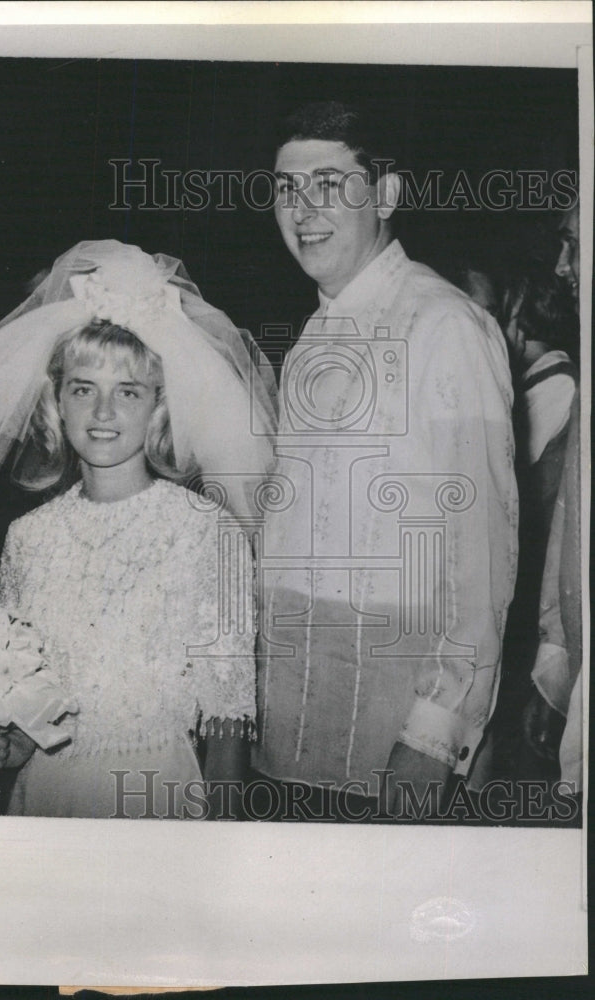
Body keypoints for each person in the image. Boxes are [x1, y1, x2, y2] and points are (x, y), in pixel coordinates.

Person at [0, 240, 277, 818]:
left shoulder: (207, 531)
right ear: (57, 404)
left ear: (159, 408)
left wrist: (221, 848)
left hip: (158, 795)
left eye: (128, 392)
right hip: (44, 798)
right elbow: (39, 697)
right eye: (83, 389)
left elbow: (228, 713)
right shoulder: (28, 537)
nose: (103, 414)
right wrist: (13, 742)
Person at [252, 102, 518, 818]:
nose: (301, 208)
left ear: (389, 195)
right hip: (284, 746)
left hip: (388, 756)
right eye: (285, 188)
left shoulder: (446, 325)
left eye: (330, 184)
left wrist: (432, 741)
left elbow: (482, 558)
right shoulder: (311, 336)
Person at [522, 204, 583, 797]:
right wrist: (556, 662)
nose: (564, 267)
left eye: (573, 245)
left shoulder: (559, 383)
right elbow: (569, 527)